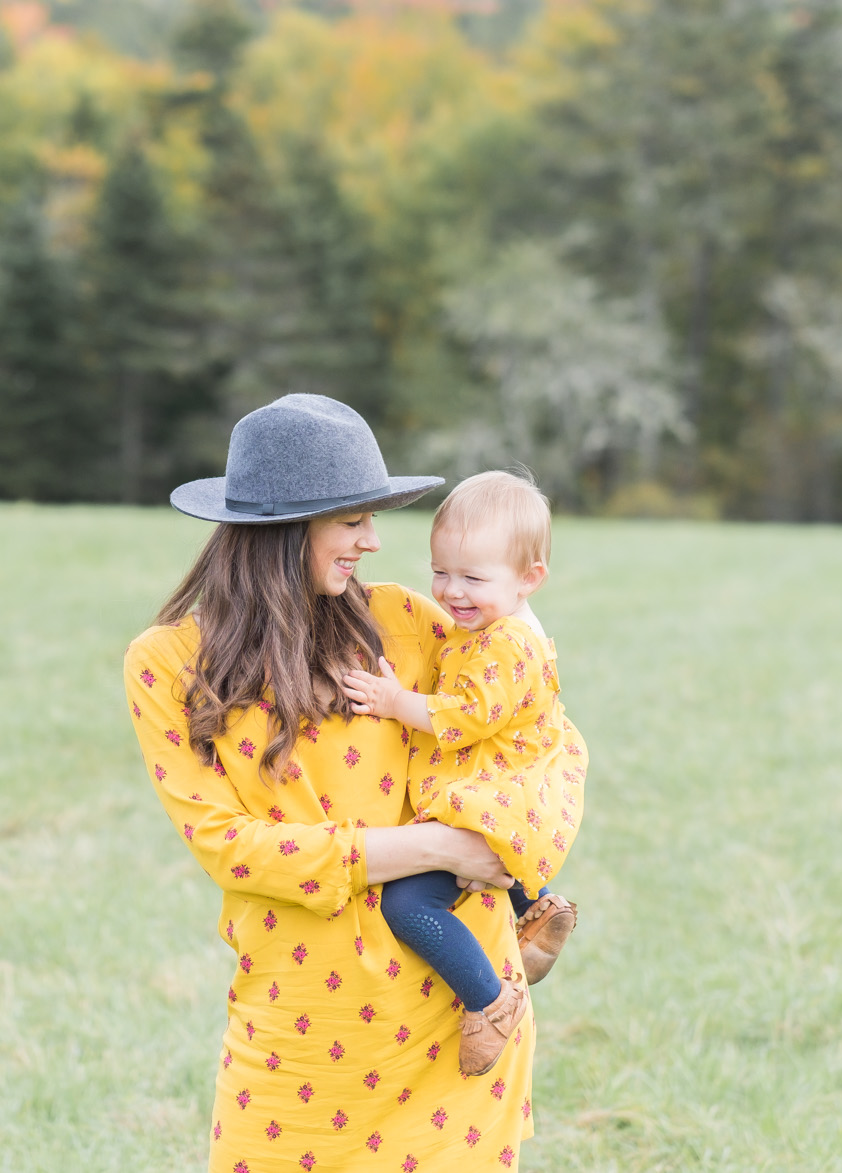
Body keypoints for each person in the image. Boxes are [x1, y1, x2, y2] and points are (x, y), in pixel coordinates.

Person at [124, 394, 582, 1170]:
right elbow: (232, 849)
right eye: (353, 519)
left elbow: (544, 730)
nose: (374, 541)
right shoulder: (167, 663)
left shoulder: (410, 622)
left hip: (452, 1016)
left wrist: (512, 840)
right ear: (286, 525)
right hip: (300, 1028)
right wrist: (433, 845)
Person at [341, 469, 587, 1077]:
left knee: (408, 906)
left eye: (473, 578)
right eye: (441, 572)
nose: (451, 591)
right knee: (491, 864)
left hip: (490, 798)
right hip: (507, 790)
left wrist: (395, 701)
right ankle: (537, 905)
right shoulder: (496, 627)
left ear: (530, 580)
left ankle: (489, 1002)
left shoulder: (507, 644)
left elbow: (470, 715)